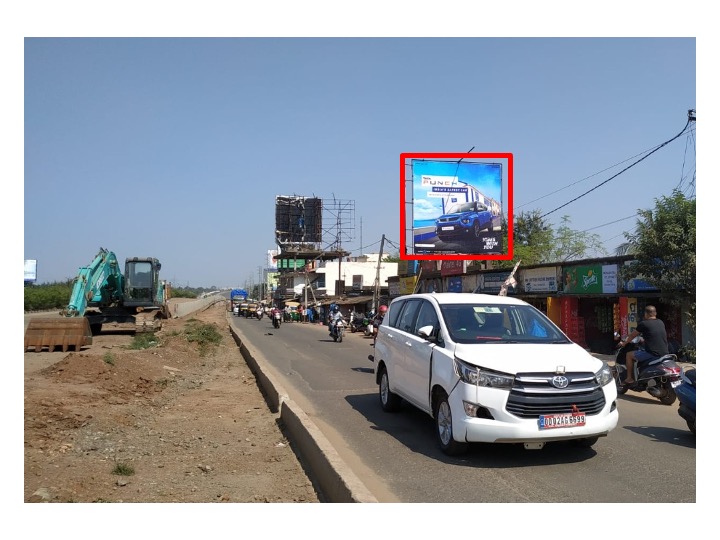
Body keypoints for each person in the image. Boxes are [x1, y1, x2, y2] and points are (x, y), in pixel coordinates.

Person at [619, 305, 669, 385]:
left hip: (652, 353)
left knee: (629, 355)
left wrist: (624, 343)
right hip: (665, 352)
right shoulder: (660, 322)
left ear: (647, 314)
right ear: (655, 313)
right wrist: (643, 340)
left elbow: (632, 335)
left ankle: (629, 378)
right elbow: (654, 335)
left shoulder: (644, 324)